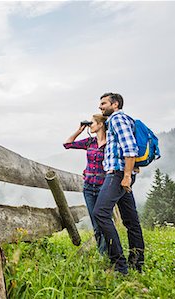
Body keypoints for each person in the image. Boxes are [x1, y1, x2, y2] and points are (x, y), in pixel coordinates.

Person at [94, 92, 145, 275]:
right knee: (131, 220)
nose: (100, 107)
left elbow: (130, 148)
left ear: (115, 104)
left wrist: (126, 176)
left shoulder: (117, 118)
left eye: (103, 103)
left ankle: (119, 265)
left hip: (118, 175)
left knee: (100, 213)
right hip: (122, 174)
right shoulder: (119, 120)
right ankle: (137, 264)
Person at [63, 114, 108, 255]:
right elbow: (67, 144)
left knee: (102, 219)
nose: (91, 125)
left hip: (103, 186)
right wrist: (79, 130)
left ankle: (108, 250)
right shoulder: (90, 142)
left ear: (101, 125)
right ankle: (103, 253)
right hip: (88, 187)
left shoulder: (110, 143)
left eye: (93, 122)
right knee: (95, 221)